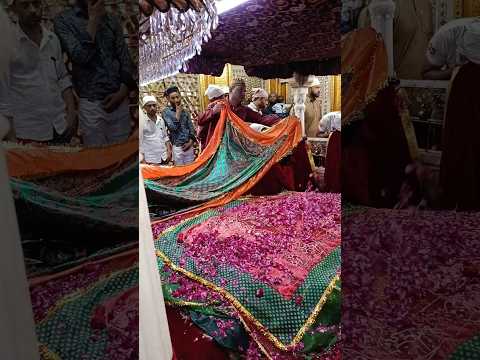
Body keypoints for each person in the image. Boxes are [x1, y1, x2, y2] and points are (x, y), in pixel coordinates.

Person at [54, 0, 136, 147]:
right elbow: (81, 57)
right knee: (97, 159)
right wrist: (93, 20)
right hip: (91, 104)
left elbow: (125, 59)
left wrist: (122, 91)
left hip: (119, 101)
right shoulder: (64, 20)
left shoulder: (111, 19)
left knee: (121, 159)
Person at [0, 0, 76, 145]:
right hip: (27, 132)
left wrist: (71, 114)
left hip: (59, 126)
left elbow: (62, 78)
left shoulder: (52, 39)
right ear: (14, 8)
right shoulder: (8, 43)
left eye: (36, 4)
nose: (33, 10)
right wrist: (12, 138)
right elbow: (3, 95)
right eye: (25, 5)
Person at [423, 19, 480, 210]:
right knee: (463, 142)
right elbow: (426, 72)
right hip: (462, 88)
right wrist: (452, 71)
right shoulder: (448, 36)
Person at [358, 0, 434, 79]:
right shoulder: (382, 5)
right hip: (395, 86)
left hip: (424, 87)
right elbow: (369, 58)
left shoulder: (426, 5)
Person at [197, 79, 281, 148]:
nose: (243, 93)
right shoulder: (218, 105)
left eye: (244, 91)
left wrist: (280, 121)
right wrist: (213, 112)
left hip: (235, 149)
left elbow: (261, 119)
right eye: (240, 90)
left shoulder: (244, 110)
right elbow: (200, 120)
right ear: (231, 90)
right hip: (216, 148)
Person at [162, 86, 196, 166]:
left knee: (190, 170)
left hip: (189, 146)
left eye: (177, 97)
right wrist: (178, 113)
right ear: (168, 99)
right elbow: (173, 128)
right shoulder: (166, 112)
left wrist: (190, 142)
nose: (176, 100)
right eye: (173, 98)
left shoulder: (185, 111)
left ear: (180, 96)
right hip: (177, 147)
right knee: (180, 172)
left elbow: (191, 128)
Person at [139, 95, 171, 165]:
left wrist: (169, 151)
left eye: (154, 105)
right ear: (144, 108)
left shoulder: (160, 120)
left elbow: (165, 137)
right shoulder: (141, 122)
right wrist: (143, 159)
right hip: (150, 159)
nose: (152, 108)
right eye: (149, 106)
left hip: (163, 156)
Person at [197, 84, 226, 150]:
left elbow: (200, 120)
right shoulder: (214, 106)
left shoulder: (216, 105)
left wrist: (212, 111)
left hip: (214, 141)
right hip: (218, 140)